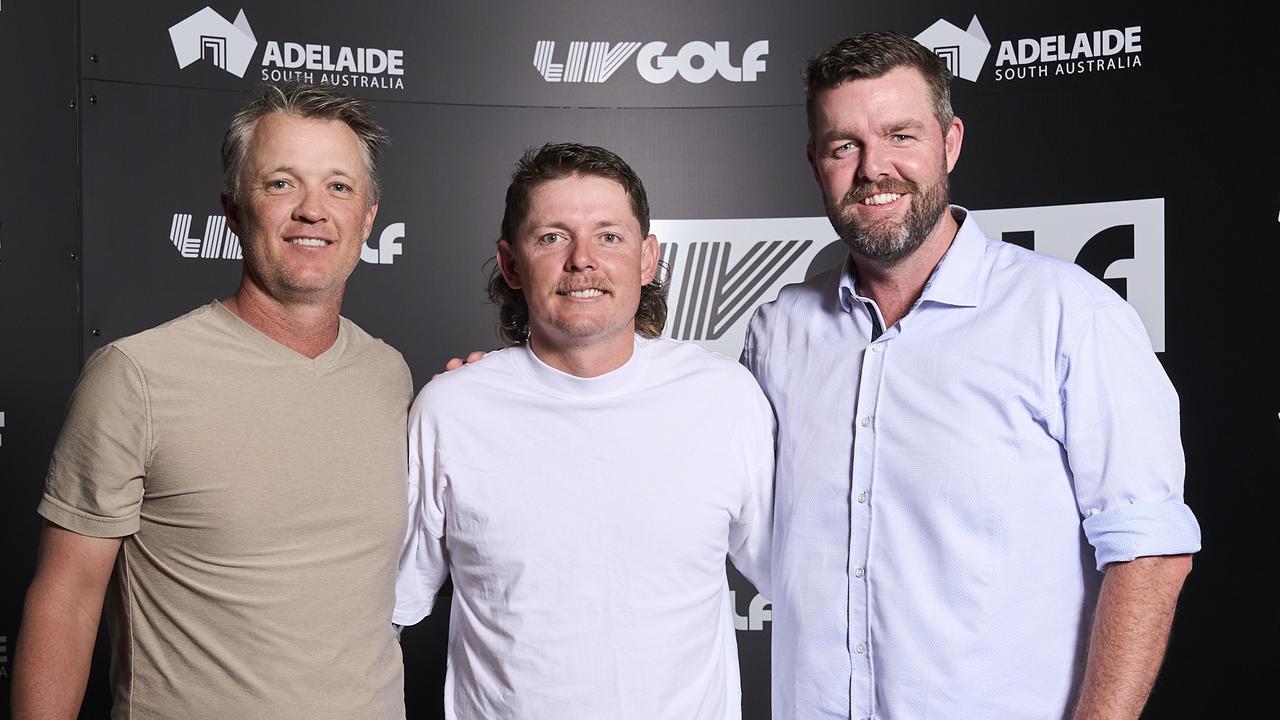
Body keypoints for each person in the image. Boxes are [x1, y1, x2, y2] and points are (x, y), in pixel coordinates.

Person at [741, 32, 1201, 720]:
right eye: (845, 146)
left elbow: (1149, 550)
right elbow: (752, 531)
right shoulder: (778, 331)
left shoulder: (1067, 314)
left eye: (902, 136)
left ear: (950, 143)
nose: (875, 168)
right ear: (817, 164)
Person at [12, 82, 411, 719]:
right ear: (232, 209)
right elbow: (66, 599)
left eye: (338, 186)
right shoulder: (136, 376)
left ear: (367, 217)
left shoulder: (390, 376)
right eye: (281, 183)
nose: (312, 209)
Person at [394, 142, 774, 719]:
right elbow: (396, 603)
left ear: (648, 258)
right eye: (551, 236)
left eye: (609, 236)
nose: (582, 260)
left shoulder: (725, 399)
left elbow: (803, 578)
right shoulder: (450, 411)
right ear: (511, 263)